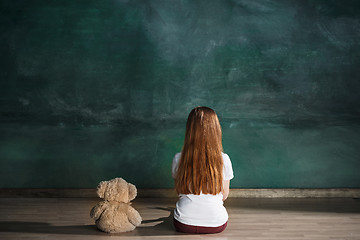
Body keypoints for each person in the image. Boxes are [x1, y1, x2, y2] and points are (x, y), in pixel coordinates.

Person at [172, 106, 234, 234]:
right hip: (217, 224)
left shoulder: (179, 158)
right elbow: (224, 195)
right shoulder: (224, 159)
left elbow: (179, 189)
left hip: (183, 224)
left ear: (190, 130)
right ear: (216, 130)